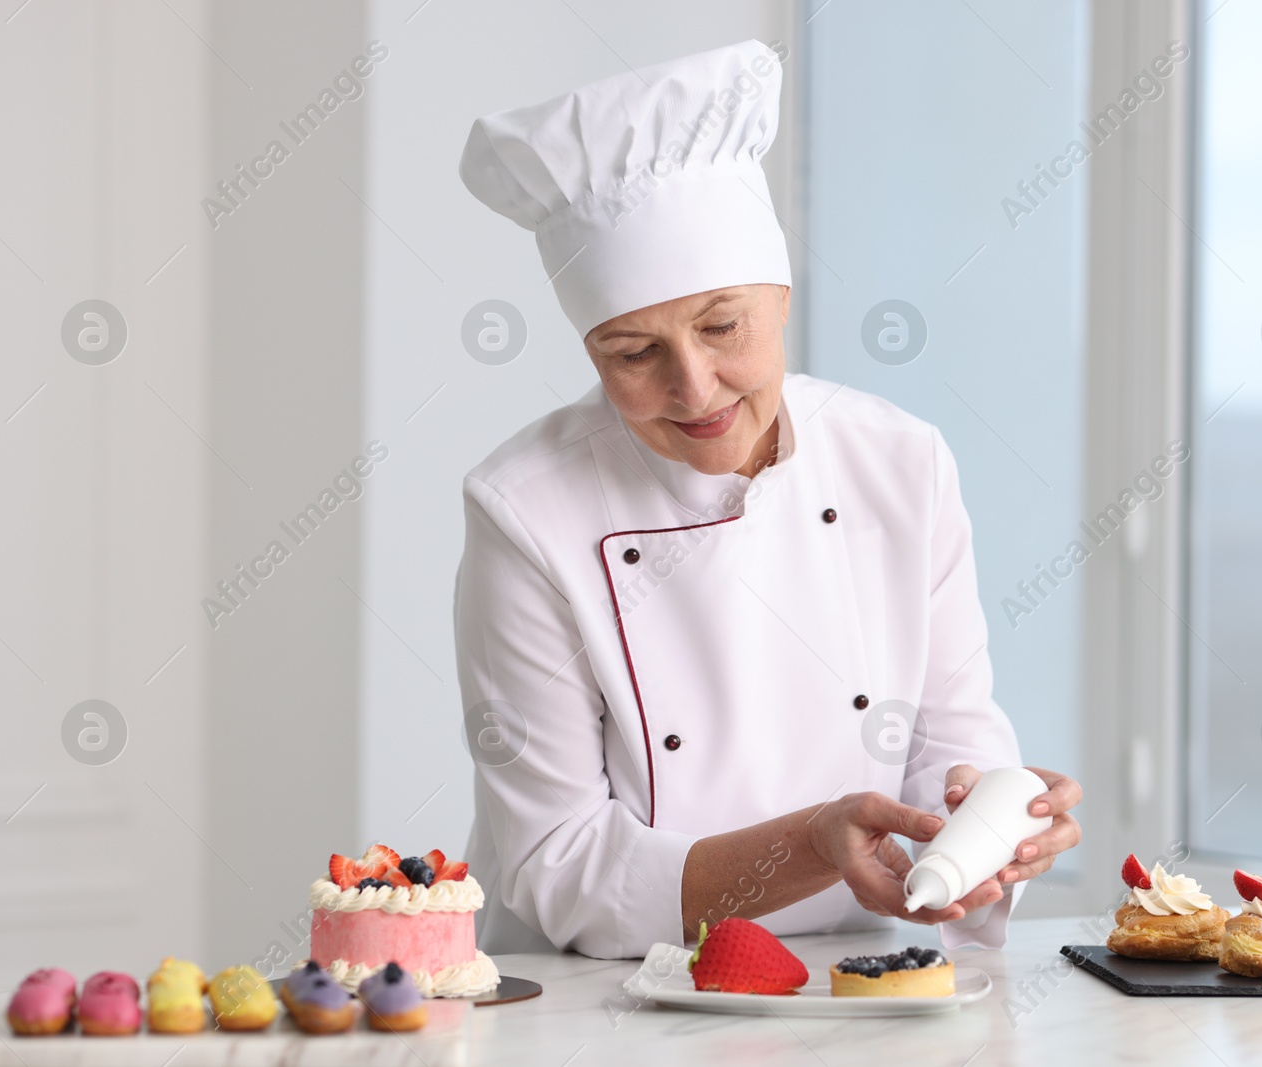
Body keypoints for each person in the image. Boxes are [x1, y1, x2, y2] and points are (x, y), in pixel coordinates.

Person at [454, 39, 1081, 959]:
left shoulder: (901, 461)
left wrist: (992, 821)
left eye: (722, 326)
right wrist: (811, 842)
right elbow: (558, 860)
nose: (696, 387)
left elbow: (950, 736)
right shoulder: (525, 509)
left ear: (783, 297)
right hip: (611, 998)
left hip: (868, 976)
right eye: (634, 353)